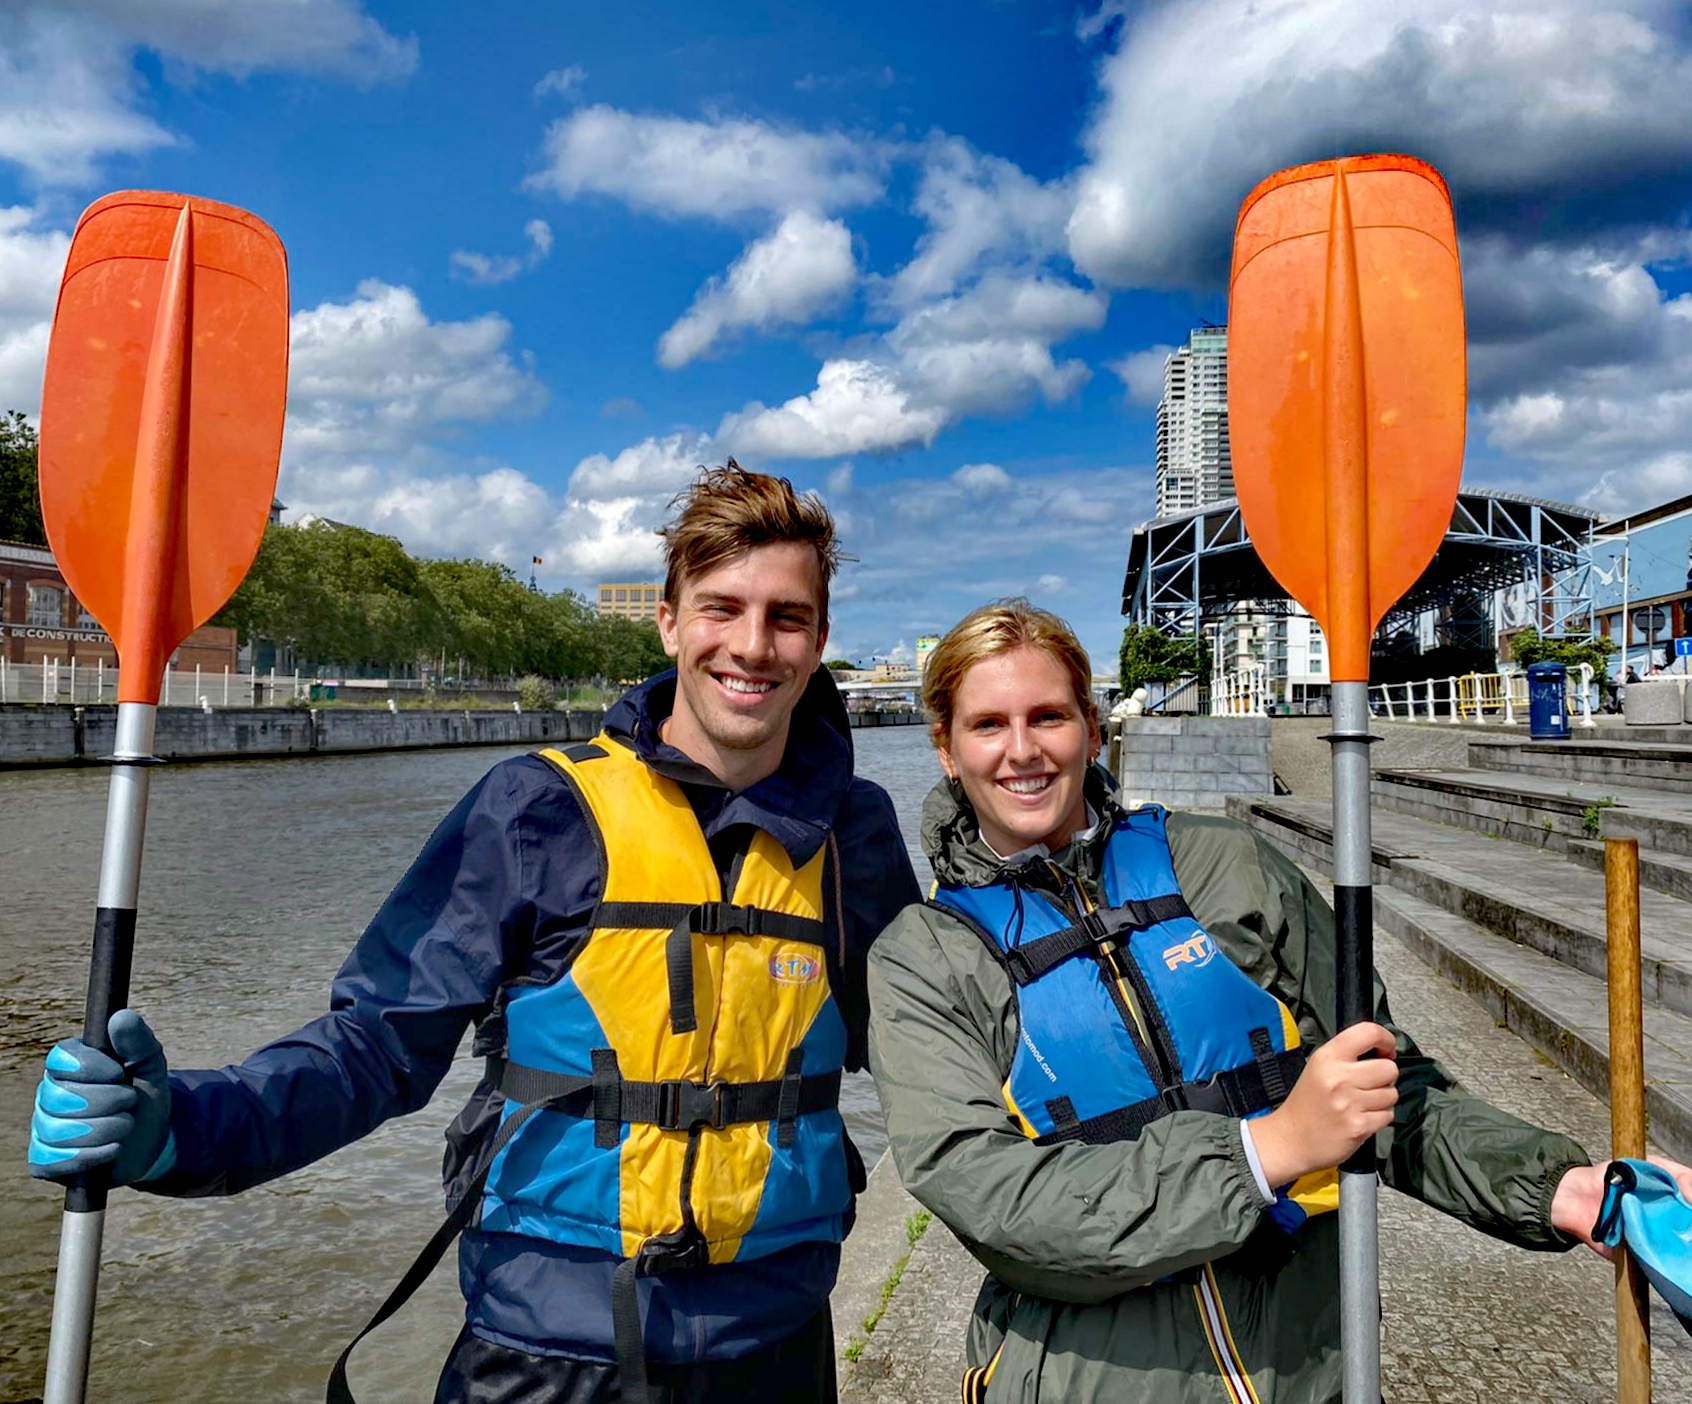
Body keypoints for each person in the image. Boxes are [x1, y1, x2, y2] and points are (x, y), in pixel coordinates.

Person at [30, 465, 920, 1403]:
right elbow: (373, 1047)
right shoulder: (535, 810)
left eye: (786, 617)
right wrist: (182, 1129)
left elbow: (931, 1061)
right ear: (668, 622)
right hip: (545, 1357)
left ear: (820, 641)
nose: (751, 645)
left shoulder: (854, 834)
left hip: (775, 1351)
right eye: (720, 608)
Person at [866, 598, 1692, 1403]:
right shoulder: (922, 959)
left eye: (1048, 716)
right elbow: (990, 1195)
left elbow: (1388, 1087)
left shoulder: (1231, 864)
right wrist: (1264, 1152)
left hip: (1308, 1363)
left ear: (1092, 721)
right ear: (945, 747)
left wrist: (1555, 1185)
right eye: (987, 725)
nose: (1023, 751)